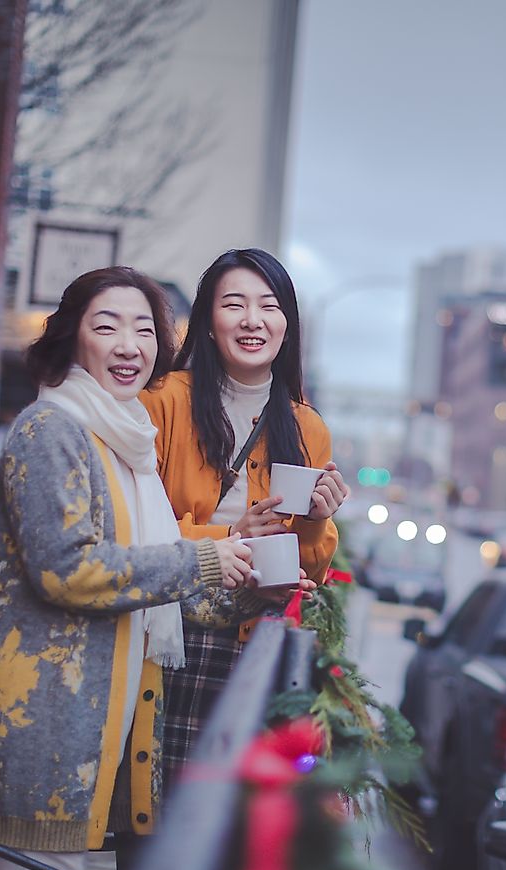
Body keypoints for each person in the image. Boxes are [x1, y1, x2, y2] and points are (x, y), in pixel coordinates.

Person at [0, 266, 269, 870]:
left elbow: (151, 593)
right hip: (40, 728)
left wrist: (253, 591)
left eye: (145, 330)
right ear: (74, 337)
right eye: (108, 326)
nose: (131, 345)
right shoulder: (51, 430)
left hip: (96, 731)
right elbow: (67, 571)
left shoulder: (126, 443)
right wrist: (206, 556)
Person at [140, 247, 349, 771]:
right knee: (152, 819)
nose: (252, 320)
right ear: (209, 322)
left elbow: (313, 568)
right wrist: (229, 535)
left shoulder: (307, 427)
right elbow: (134, 530)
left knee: (226, 830)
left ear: (287, 326)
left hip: (252, 643)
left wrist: (318, 519)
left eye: (269, 306)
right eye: (234, 304)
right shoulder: (163, 399)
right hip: (168, 636)